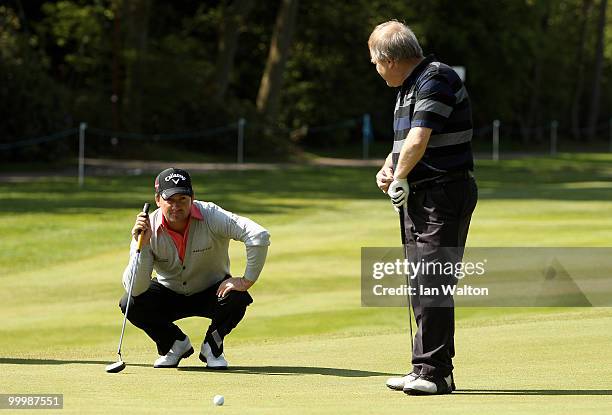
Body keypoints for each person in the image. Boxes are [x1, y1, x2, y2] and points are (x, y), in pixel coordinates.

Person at [368, 20, 478, 395]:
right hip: (422, 194)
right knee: (422, 281)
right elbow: (404, 142)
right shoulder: (411, 85)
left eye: (375, 62)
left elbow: (420, 137)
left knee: (433, 279)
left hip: (444, 193)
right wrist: (389, 168)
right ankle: (427, 369)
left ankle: (434, 372)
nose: (376, 69)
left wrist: (399, 175)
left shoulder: (435, 78)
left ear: (389, 58)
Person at [119, 167, 270, 369]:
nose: (176, 206)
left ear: (192, 197)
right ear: (157, 200)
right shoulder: (147, 228)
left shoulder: (212, 215)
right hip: (169, 293)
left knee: (237, 297)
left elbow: (258, 235)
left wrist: (246, 280)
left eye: (182, 199)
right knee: (130, 302)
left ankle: (212, 348)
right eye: (170, 200)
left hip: (212, 291)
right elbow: (135, 288)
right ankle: (174, 344)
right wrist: (143, 244)